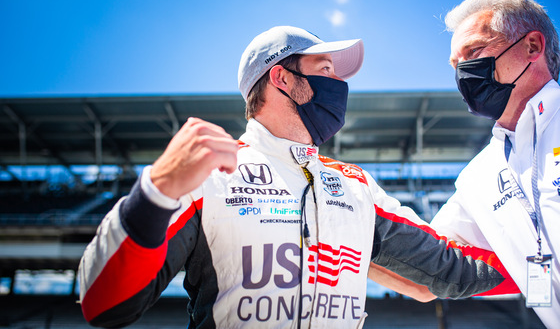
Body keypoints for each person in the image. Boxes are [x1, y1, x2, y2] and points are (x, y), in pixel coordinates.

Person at [78, 25, 517, 328]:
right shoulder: (210, 175)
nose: (338, 84)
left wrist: (545, 275)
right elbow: (104, 305)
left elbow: (453, 267)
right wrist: (155, 191)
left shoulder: (356, 188)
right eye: (325, 69)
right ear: (282, 78)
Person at [429, 0, 560, 327]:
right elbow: (425, 260)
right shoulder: (477, 177)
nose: (463, 73)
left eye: (474, 52)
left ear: (532, 46)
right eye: (456, 64)